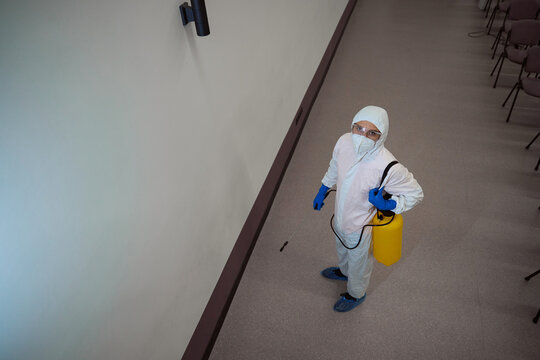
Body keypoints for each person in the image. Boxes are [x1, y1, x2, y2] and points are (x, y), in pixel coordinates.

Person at [313, 105, 423, 312]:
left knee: (359, 262)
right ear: (352, 126)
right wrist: (323, 189)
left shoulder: (388, 166)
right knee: (342, 248)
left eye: (372, 133)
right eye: (359, 128)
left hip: (362, 226)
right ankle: (343, 272)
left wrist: (388, 204)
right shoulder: (344, 141)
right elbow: (335, 165)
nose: (362, 136)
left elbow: (416, 193)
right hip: (341, 215)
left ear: (381, 136)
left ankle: (356, 293)